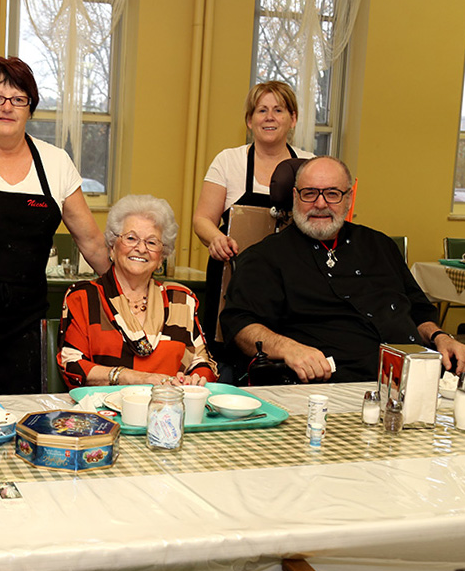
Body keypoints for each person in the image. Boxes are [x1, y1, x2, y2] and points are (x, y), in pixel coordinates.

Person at [0, 56, 111, 394]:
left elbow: (93, 243)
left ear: (30, 108)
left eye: (18, 99)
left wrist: (124, 294)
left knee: (23, 414)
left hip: (26, 324)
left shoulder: (56, 164)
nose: (6, 107)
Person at [220, 157, 465, 383]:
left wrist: (440, 337)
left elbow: (419, 312)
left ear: (349, 198)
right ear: (295, 196)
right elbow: (239, 325)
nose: (320, 204)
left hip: (418, 378)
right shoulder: (265, 257)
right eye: (309, 193)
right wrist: (288, 348)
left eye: (332, 194)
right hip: (336, 387)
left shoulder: (380, 246)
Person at [192, 81, 316, 353]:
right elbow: (202, 219)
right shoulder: (228, 161)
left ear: (293, 119)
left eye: (279, 110)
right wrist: (216, 239)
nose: (269, 117)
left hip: (292, 284)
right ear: (249, 120)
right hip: (234, 277)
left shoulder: (311, 165)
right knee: (227, 355)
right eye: (261, 110)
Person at [58, 195, 217, 388]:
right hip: (104, 412)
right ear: (112, 247)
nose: (141, 248)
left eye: (152, 242)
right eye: (131, 238)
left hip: (168, 411)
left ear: (161, 257)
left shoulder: (180, 299)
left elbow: (202, 362)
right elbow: (72, 365)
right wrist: (136, 378)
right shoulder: (84, 297)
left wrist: (197, 379)